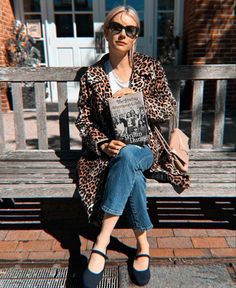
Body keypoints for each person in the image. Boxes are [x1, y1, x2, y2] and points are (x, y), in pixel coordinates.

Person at [75, 5, 190, 288]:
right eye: (117, 27)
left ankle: (101, 241)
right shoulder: (92, 75)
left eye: (130, 29)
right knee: (132, 173)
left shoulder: (150, 68)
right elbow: (84, 120)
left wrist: (138, 97)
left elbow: (167, 107)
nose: (123, 34)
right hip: (108, 155)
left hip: (146, 148)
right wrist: (102, 144)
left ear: (136, 35)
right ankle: (143, 243)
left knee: (130, 155)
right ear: (106, 31)